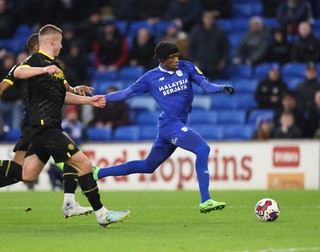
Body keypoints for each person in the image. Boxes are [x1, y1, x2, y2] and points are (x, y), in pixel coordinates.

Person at [0, 25, 130, 227]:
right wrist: (44, 69)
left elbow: (64, 95)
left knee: (27, 174)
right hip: (43, 127)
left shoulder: (57, 68)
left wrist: (89, 100)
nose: (62, 46)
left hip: (45, 127)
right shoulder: (35, 61)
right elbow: (18, 72)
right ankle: (101, 213)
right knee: (85, 165)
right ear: (52, 41)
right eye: (61, 42)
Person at [93, 41, 235, 213]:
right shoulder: (149, 78)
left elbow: (206, 86)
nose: (176, 59)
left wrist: (221, 88)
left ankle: (98, 173)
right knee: (202, 149)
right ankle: (205, 200)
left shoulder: (187, 67)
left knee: (147, 166)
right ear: (162, 59)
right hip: (170, 125)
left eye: (177, 55)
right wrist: (100, 99)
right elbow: (125, 94)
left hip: (173, 125)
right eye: (172, 57)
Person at [188, 11, 230, 80]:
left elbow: (225, 47)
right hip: (200, 65)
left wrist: (223, 60)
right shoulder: (196, 31)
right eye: (207, 18)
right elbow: (191, 47)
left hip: (215, 65)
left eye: (211, 18)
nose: (209, 20)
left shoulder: (220, 31)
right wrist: (193, 61)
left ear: (214, 20)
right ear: (203, 19)